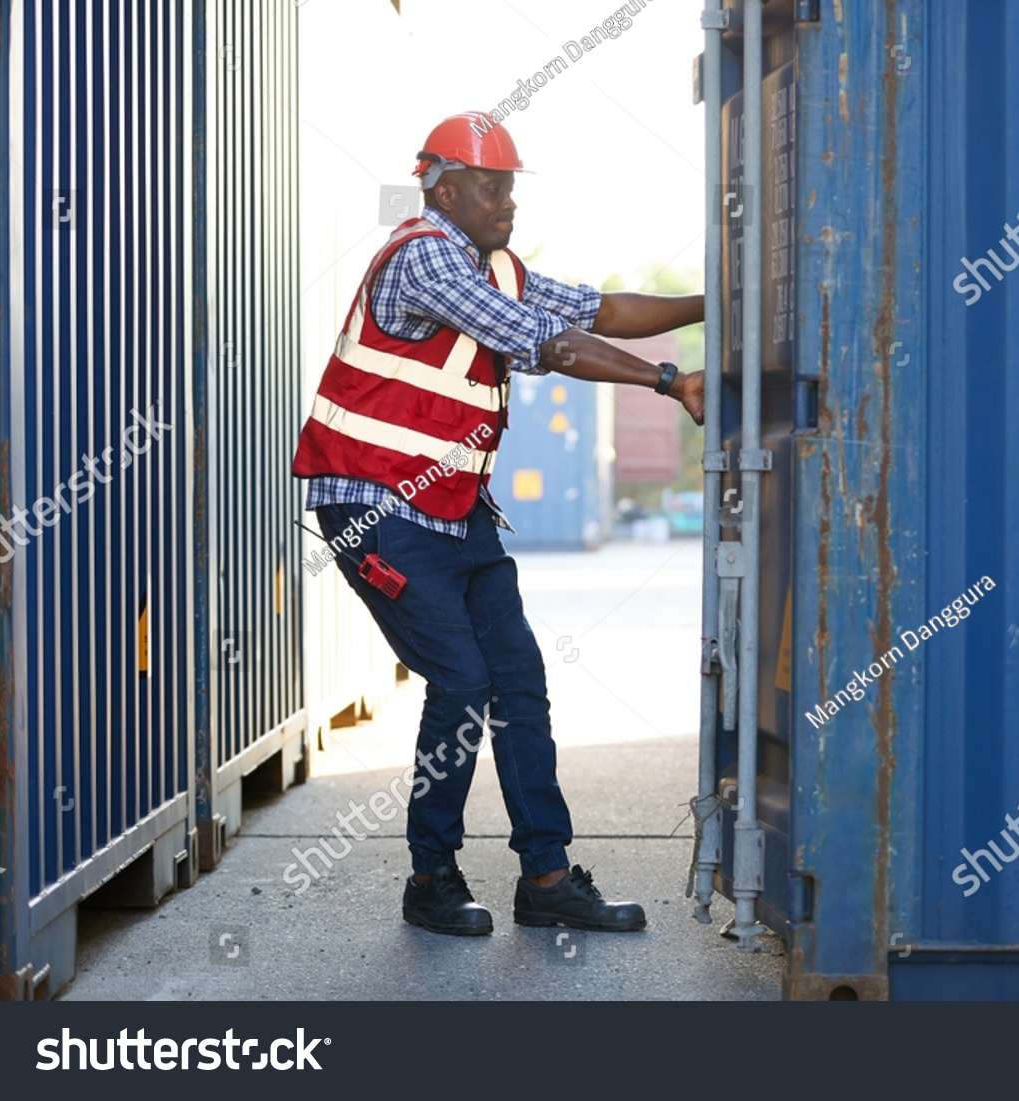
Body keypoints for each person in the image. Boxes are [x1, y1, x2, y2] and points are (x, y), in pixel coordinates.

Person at [291, 112, 705, 936]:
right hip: (376, 505)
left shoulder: (496, 267)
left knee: (518, 679)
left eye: (512, 187)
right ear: (443, 188)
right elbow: (546, 342)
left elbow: (602, 309)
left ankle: (547, 877)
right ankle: (431, 877)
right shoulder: (423, 256)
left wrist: (713, 301)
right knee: (464, 681)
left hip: (453, 509)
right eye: (492, 187)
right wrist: (667, 380)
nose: (507, 202)